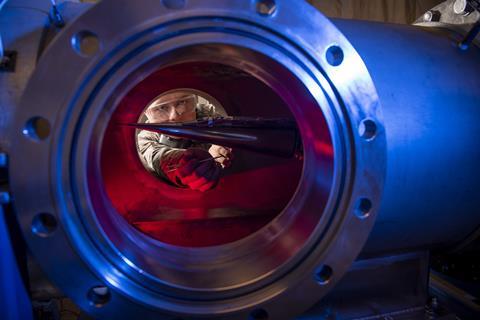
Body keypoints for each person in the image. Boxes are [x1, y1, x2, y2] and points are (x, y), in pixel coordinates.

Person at [137, 90, 232, 192]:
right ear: (146, 112)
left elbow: (232, 123)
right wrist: (183, 163)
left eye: (182, 102)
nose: (175, 116)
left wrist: (223, 143)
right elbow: (157, 156)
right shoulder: (145, 138)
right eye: (161, 108)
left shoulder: (210, 113)